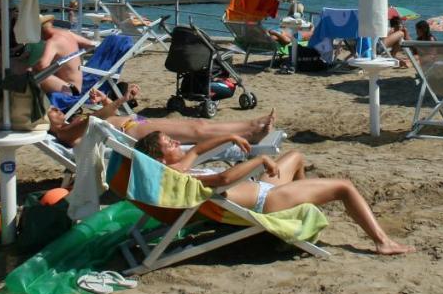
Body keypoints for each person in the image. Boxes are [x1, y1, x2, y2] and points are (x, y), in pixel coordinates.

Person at [135, 131, 415, 256]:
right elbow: (222, 178)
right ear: (161, 159)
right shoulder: (180, 176)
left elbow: (196, 149)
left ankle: (303, 221)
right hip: (267, 201)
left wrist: (231, 137)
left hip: (265, 191)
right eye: (170, 143)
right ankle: (383, 242)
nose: (176, 144)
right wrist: (258, 160)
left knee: (295, 156)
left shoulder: (177, 168)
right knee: (344, 186)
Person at [47, 86, 277, 148]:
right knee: (196, 132)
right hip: (133, 132)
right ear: (50, 126)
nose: (57, 110)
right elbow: (95, 121)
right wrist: (119, 100)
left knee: (198, 123)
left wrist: (107, 101)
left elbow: (106, 119)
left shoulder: (71, 125)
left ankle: (250, 125)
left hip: (135, 123)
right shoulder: (65, 133)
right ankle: (251, 132)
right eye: (52, 112)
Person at [31, 15, 97, 95]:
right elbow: (90, 44)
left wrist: (29, 63)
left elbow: (42, 66)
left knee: (31, 74)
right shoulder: (66, 33)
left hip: (71, 89)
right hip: (78, 85)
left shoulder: (53, 42)